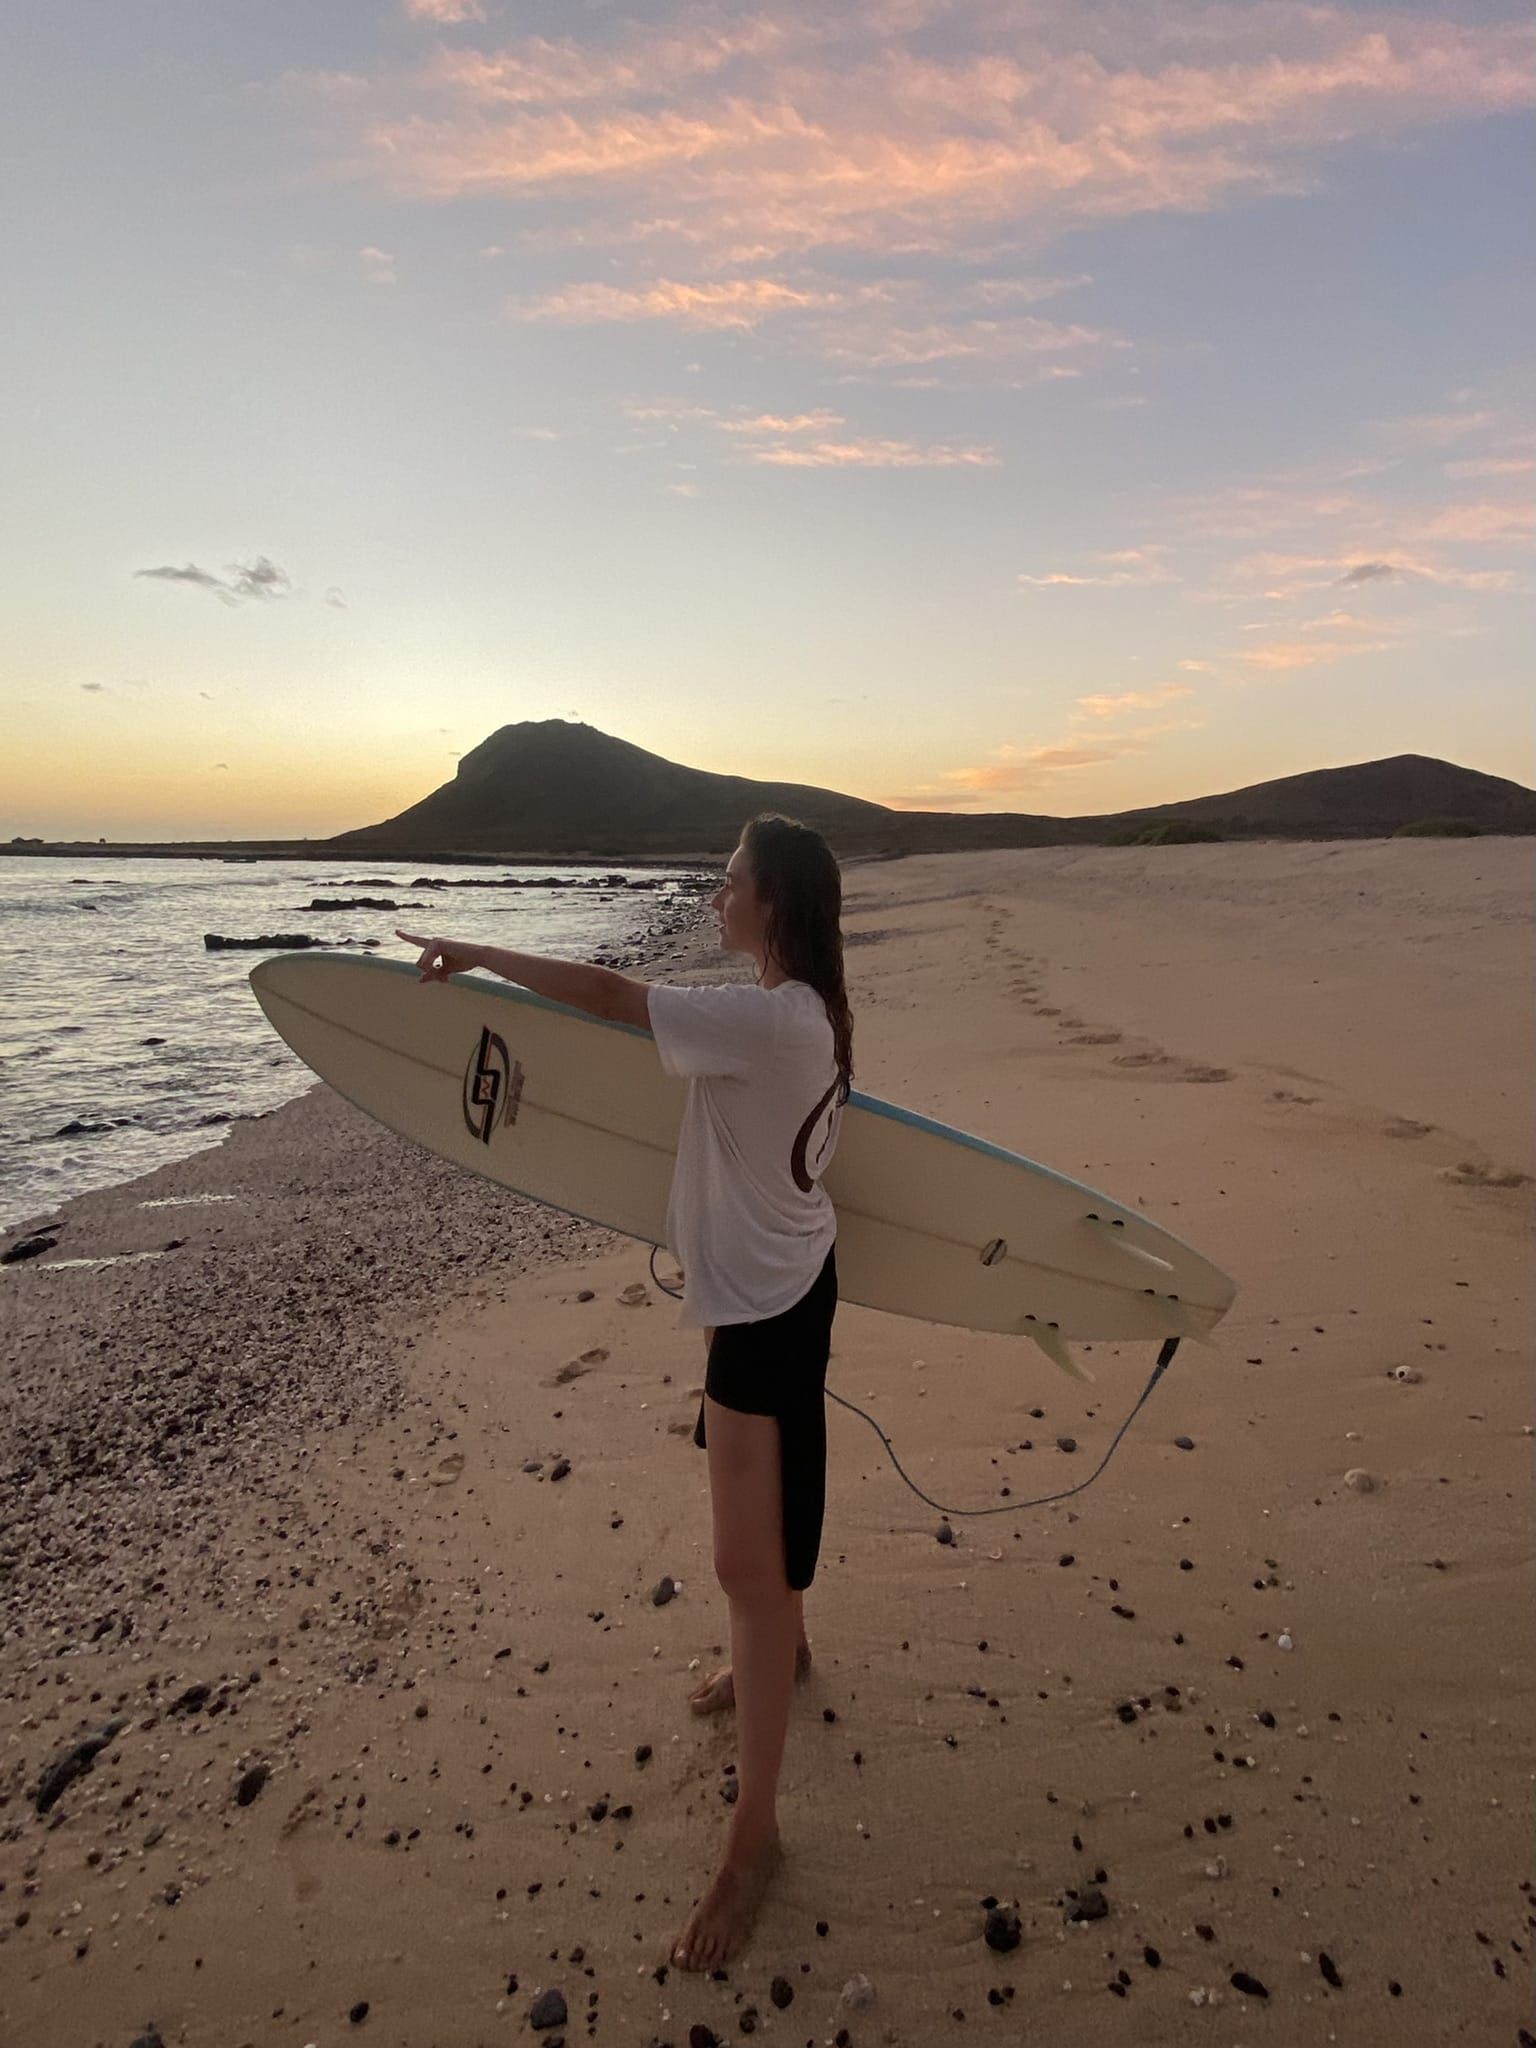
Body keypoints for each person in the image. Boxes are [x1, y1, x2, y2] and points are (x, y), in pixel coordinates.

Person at [395, 811, 853, 1974]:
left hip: (760, 1312)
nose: (716, 892)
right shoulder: (807, 1015)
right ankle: (779, 1648)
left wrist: (481, 955)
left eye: (733, 879)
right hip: (786, 1285)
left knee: (743, 1562)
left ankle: (755, 1834)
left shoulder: (761, 1019)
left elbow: (607, 998)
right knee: (774, 1515)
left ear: (775, 902)